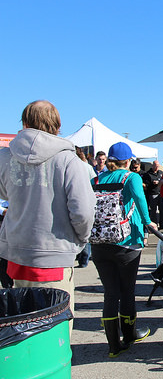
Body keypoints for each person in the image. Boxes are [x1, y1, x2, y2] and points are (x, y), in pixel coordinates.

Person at [0, 100, 95, 331]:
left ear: (24, 123)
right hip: (55, 253)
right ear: (58, 125)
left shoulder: (6, 156)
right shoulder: (68, 160)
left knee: (21, 326)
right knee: (55, 329)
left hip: (16, 252)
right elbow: (82, 211)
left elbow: (4, 191)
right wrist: (81, 240)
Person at [92, 142, 155, 357]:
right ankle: (129, 335)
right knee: (127, 291)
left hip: (100, 243)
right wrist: (149, 222)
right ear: (128, 161)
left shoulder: (97, 179)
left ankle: (112, 345)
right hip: (127, 241)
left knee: (110, 293)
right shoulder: (131, 177)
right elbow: (139, 199)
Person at [75, 147, 96, 268]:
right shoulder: (87, 167)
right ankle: (83, 259)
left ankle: (82, 257)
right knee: (85, 229)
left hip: (77, 200)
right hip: (87, 200)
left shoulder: (71, 165)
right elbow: (94, 182)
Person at [142, 160, 162, 225]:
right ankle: (154, 224)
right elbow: (145, 184)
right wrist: (152, 183)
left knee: (162, 210)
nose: (157, 167)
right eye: (156, 166)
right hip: (152, 193)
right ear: (152, 166)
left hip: (160, 193)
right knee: (153, 210)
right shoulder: (147, 174)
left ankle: (162, 224)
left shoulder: (160, 173)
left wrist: (159, 182)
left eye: (158, 166)